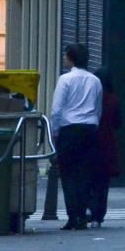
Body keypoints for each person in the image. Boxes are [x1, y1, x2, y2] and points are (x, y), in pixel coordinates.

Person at [49, 43, 102, 231]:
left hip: (69, 129)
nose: (64, 58)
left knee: (69, 174)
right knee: (85, 173)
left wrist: (55, 132)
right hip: (89, 129)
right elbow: (98, 107)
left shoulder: (65, 79)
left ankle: (73, 216)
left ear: (71, 58)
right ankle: (82, 212)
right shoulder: (95, 81)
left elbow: (57, 109)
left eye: (66, 55)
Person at [88, 68, 121, 228]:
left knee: (89, 179)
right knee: (103, 183)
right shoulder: (113, 100)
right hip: (107, 143)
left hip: (91, 141)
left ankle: (89, 210)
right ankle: (98, 214)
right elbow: (118, 122)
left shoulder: (92, 98)